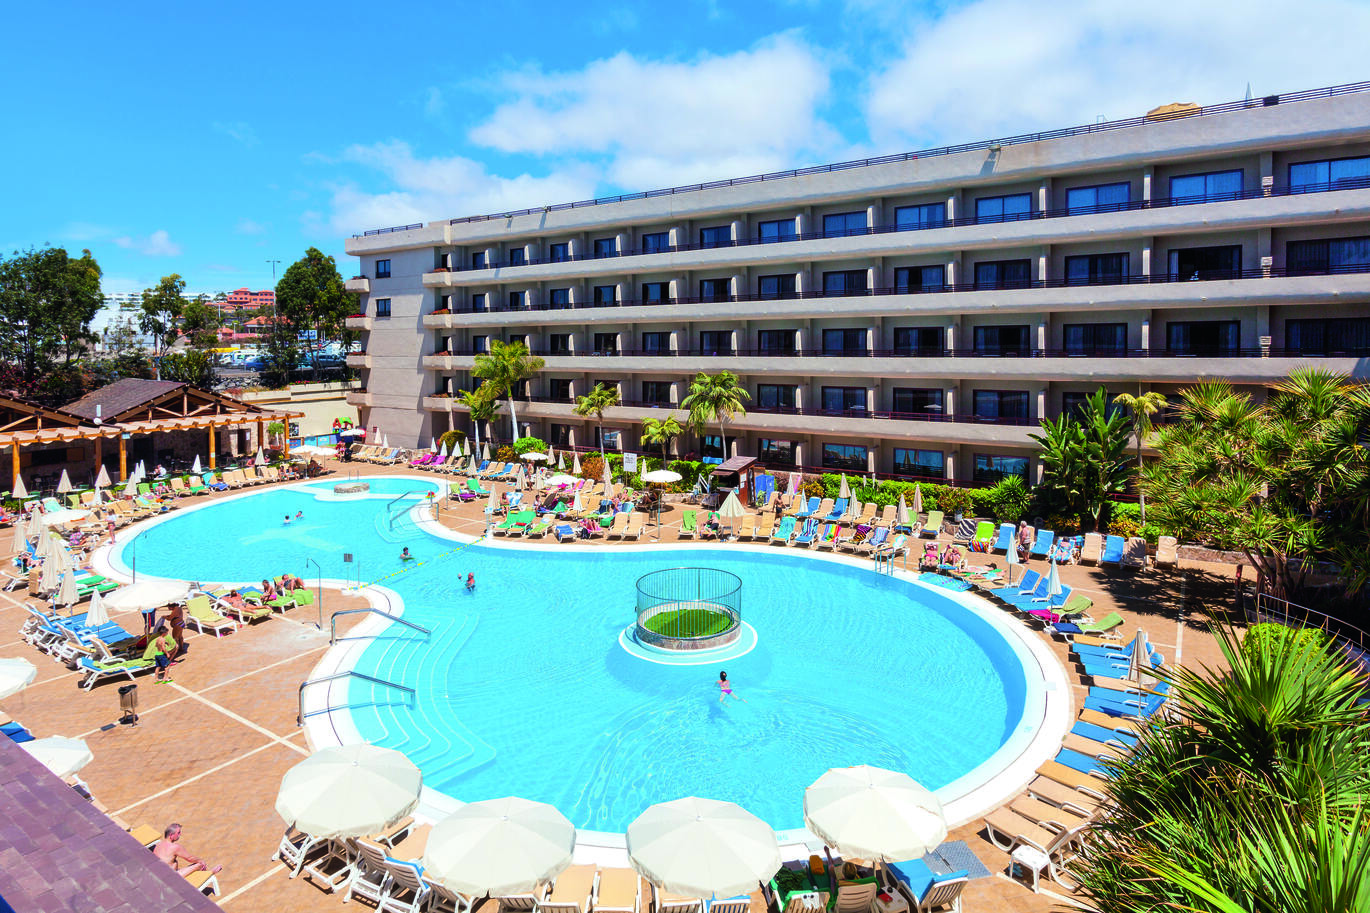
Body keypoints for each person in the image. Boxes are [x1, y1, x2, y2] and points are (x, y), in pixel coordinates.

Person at [153, 823, 222, 879]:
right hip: (170, 878)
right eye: (178, 833)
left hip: (157, 877)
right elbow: (190, 858)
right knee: (199, 865)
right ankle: (209, 874)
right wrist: (201, 861)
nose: (180, 835)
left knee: (174, 863)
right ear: (171, 835)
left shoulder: (159, 844)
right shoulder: (174, 847)